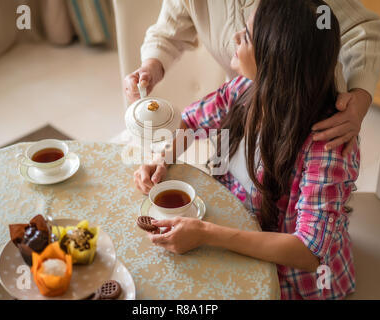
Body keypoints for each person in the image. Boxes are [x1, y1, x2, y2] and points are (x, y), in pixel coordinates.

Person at [134, 0, 359, 300]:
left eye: (248, 36)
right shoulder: (244, 88)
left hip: (295, 282)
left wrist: (206, 234)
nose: (236, 37)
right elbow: (191, 122)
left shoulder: (327, 145)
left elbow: (308, 251)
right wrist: (161, 158)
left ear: (277, 59)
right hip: (234, 236)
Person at [124, 0, 380, 156]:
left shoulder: (322, 149)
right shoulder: (236, 93)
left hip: (307, 117)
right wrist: (151, 66)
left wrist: (358, 104)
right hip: (252, 105)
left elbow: (357, 29)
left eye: (247, 36)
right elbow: (169, 30)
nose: (237, 38)